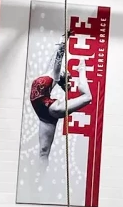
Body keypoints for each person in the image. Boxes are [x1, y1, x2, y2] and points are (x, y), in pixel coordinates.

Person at [30, 34, 92, 163]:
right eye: (68, 73)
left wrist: (64, 41)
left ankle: (82, 70)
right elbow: (54, 57)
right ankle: (40, 175)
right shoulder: (49, 72)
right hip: (44, 117)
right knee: (43, 152)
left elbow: (58, 58)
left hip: (53, 108)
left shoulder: (56, 74)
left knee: (87, 97)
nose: (68, 73)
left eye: (68, 75)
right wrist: (63, 39)